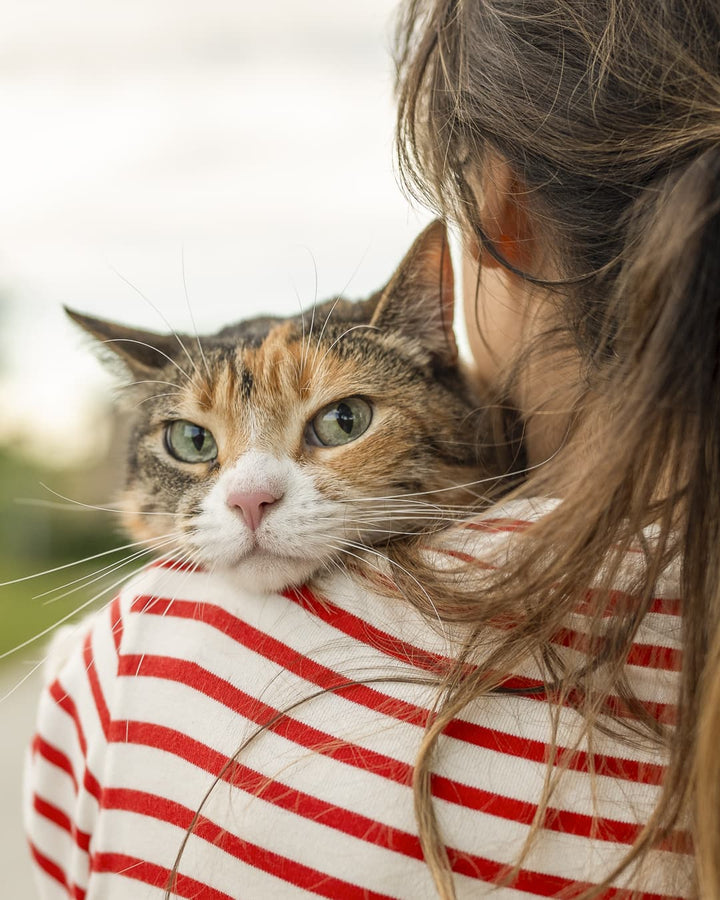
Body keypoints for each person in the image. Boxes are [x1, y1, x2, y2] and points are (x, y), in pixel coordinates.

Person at [24, 0, 713, 896]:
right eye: (194, 442)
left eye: (341, 421)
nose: (249, 492)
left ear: (502, 213)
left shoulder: (137, 668)